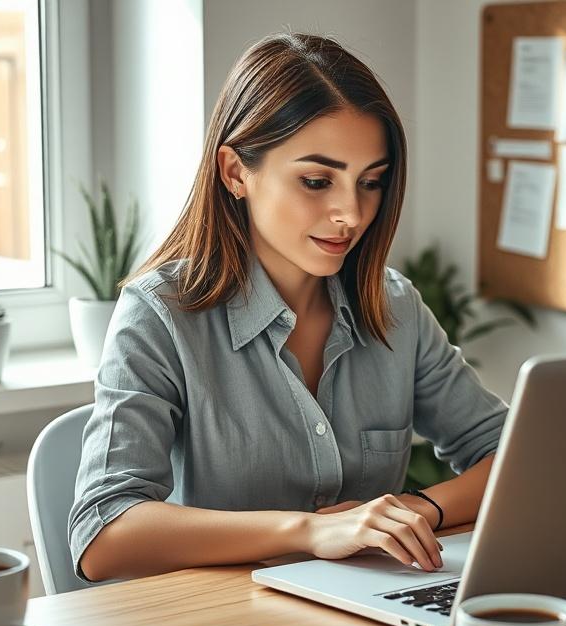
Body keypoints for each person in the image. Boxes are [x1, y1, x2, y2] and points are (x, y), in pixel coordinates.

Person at [69, 33, 508, 583]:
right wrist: (308, 531)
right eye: (317, 181)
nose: (350, 212)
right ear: (235, 172)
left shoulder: (394, 306)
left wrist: (417, 511)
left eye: (370, 182)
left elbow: (514, 456)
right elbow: (103, 533)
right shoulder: (159, 315)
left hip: (365, 616)